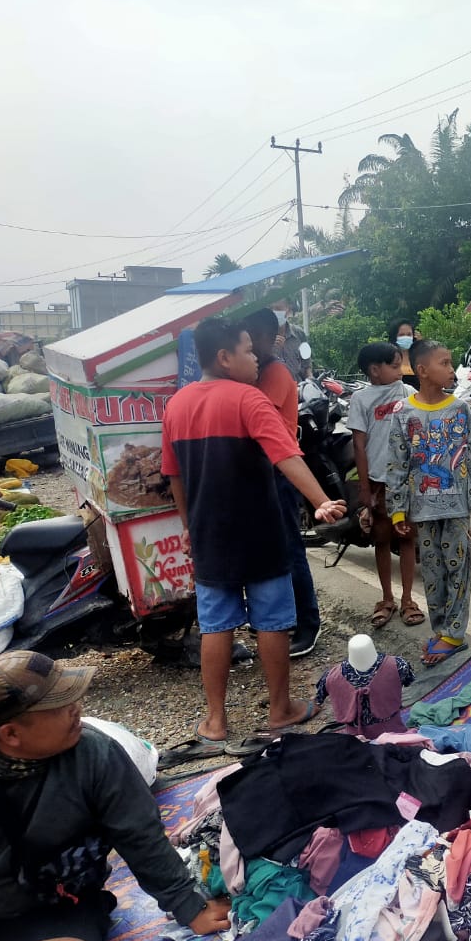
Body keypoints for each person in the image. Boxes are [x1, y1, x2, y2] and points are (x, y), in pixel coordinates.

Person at [0, 651, 231, 941]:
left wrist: (189, 906)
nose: (77, 709)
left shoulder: (96, 755)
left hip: (51, 910)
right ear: (11, 734)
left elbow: (142, 837)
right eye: (60, 707)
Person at [161, 317, 345, 753]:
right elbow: (286, 455)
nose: (256, 357)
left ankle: (215, 720)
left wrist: (188, 527)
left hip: (209, 534)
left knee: (216, 625)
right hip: (260, 531)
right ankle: (280, 710)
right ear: (224, 358)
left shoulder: (177, 405)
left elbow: (175, 477)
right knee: (273, 620)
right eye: (247, 350)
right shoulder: (249, 398)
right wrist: (320, 500)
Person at [385, 339, 471, 666]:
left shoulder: (460, 410)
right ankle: (441, 630)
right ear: (422, 371)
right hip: (423, 510)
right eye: (444, 363)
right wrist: (398, 508)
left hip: (457, 508)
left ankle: (454, 635)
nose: (450, 369)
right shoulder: (403, 413)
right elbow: (397, 462)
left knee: (458, 570)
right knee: (432, 571)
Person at [244, 308, 323, 658]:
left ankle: (308, 623)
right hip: (260, 473)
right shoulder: (257, 373)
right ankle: (281, 619)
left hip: (280, 471)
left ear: (264, 337)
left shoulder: (274, 373)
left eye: (249, 340)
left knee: (290, 550)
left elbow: (256, 422)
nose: (247, 347)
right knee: (268, 551)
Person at [348, 341, 426, 630]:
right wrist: (365, 488)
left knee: (406, 538)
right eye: (394, 366)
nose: (400, 370)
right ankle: (386, 598)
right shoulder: (362, 399)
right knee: (381, 538)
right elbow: (359, 444)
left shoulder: (408, 393)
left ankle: (408, 599)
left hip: (405, 481)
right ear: (374, 370)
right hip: (378, 482)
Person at [272, 299, 311, 381]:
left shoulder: (300, 334)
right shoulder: (261, 338)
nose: (273, 312)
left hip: (299, 389)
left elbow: (307, 365)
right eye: (270, 309)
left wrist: (310, 382)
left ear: (288, 309)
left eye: (278, 309)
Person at [387, 318, 420, 389]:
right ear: (394, 336)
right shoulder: (387, 357)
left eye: (409, 334)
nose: (406, 337)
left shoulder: (420, 357)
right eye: (401, 335)